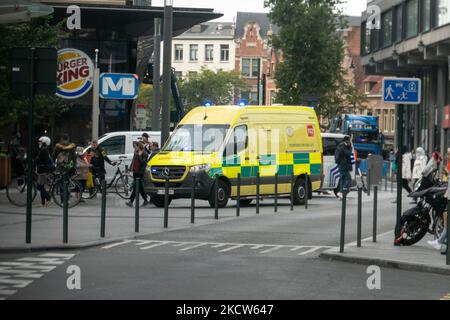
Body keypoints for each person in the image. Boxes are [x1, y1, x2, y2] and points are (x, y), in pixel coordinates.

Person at [126, 142, 149, 207]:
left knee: (136, 186)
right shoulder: (135, 152)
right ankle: (146, 200)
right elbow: (133, 161)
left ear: (139, 146)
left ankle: (130, 201)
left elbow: (143, 163)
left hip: (140, 172)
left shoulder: (145, 153)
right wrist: (129, 169)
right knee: (139, 187)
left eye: (135, 146)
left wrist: (139, 155)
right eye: (134, 147)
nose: (134, 148)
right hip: (135, 171)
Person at [35, 136, 53, 207]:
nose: (39, 143)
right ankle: (43, 203)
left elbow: (42, 160)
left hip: (43, 171)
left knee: (39, 186)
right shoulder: (44, 150)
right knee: (41, 186)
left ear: (44, 143)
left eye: (41, 142)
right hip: (42, 170)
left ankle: (48, 198)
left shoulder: (44, 150)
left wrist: (35, 160)